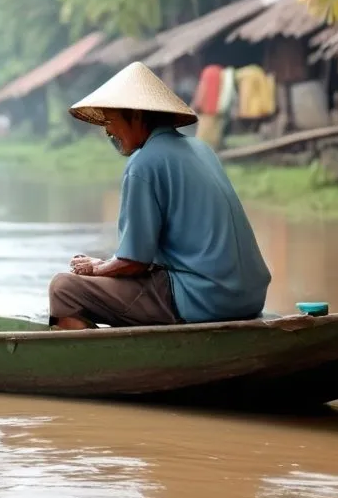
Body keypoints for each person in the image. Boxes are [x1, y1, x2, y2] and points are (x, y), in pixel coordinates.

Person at [48, 62, 271, 330]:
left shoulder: (144, 163)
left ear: (137, 116)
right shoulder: (201, 149)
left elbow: (134, 263)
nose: (108, 131)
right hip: (248, 297)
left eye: (111, 120)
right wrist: (106, 265)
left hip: (201, 298)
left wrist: (96, 269)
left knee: (64, 289)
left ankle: (105, 364)